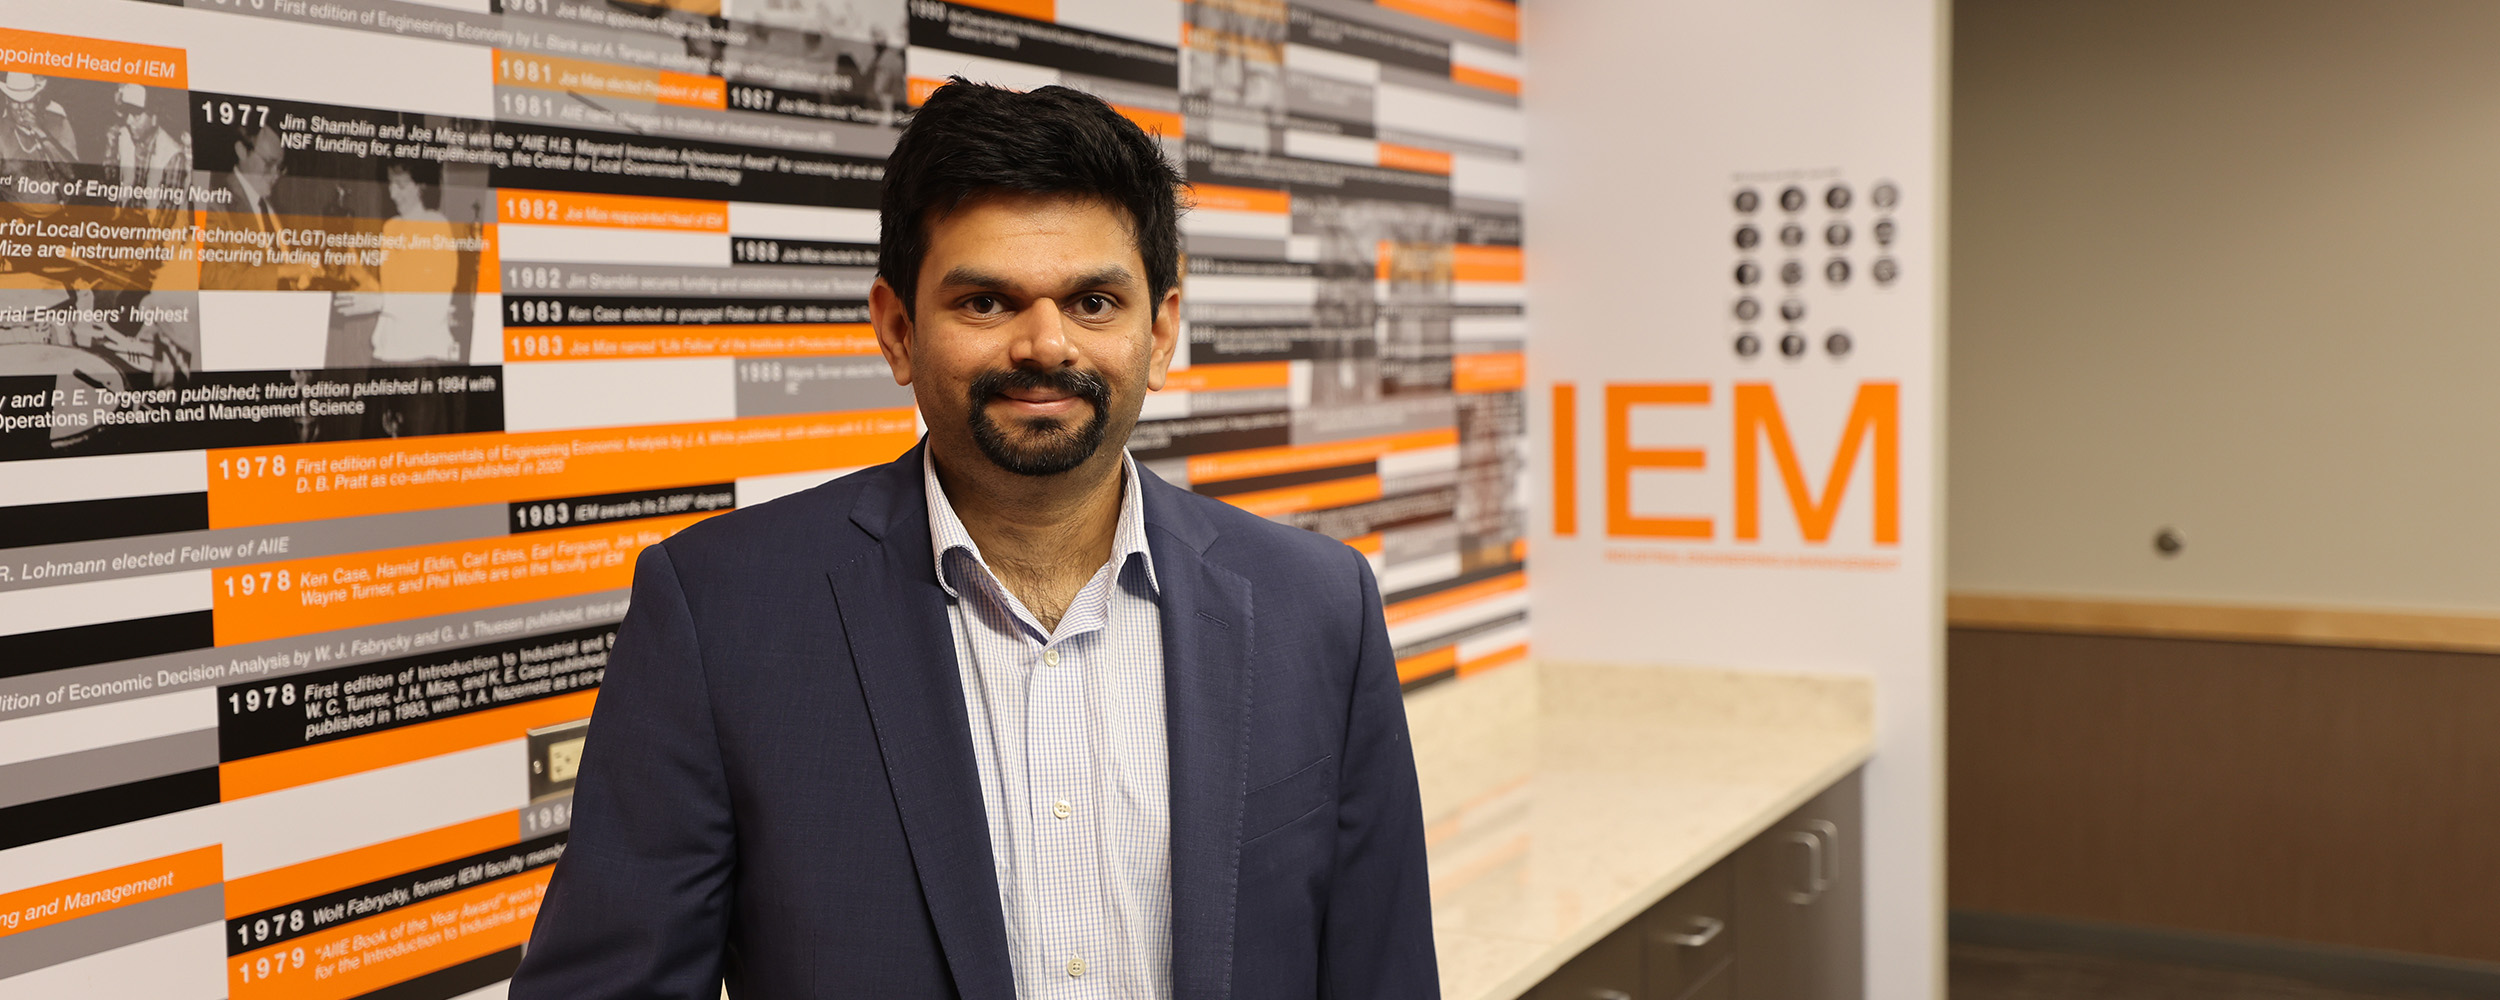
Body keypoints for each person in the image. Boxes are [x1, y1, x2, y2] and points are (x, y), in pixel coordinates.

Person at [508, 79, 1439, 999]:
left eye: (1094, 302)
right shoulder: (720, 613)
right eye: (987, 303)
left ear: (1161, 333)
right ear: (897, 329)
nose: (1045, 344)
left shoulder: (1319, 607)